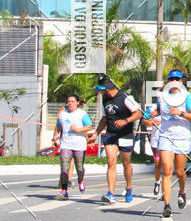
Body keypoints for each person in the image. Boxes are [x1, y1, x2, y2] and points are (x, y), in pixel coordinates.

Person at [92, 77, 142, 205]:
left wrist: (126, 121)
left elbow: (138, 113)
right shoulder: (105, 99)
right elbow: (104, 118)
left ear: (108, 88)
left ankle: (129, 187)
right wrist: (96, 133)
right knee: (111, 162)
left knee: (126, 163)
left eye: (102, 90)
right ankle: (111, 193)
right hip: (111, 134)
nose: (101, 93)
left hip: (125, 134)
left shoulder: (125, 97)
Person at [156, 70, 191, 218]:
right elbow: (158, 111)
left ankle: (182, 191)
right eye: (171, 78)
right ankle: (167, 205)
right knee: (167, 170)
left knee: (179, 172)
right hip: (165, 136)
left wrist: (180, 113)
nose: (174, 81)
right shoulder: (161, 96)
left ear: (181, 81)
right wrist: (152, 115)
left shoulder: (187, 96)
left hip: (182, 137)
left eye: (177, 79)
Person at [52, 94, 92, 198]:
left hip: (79, 144)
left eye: (72, 101)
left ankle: (80, 180)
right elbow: (58, 126)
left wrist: (78, 130)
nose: (70, 103)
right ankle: (64, 191)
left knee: (79, 168)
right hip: (65, 144)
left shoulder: (82, 114)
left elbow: (89, 126)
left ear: (77, 103)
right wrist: (56, 136)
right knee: (64, 169)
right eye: (68, 101)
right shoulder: (63, 114)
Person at [141, 100, 162, 197]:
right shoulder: (152, 108)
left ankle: (165, 190)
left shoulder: (173, 107)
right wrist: (152, 123)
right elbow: (143, 120)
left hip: (169, 140)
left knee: (167, 165)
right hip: (156, 140)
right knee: (158, 164)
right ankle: (157, 181)